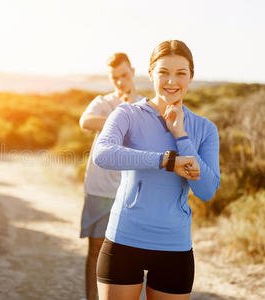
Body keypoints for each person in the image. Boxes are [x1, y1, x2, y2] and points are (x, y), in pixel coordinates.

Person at [92, 40, 221, 300]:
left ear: (191, 77)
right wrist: (165, 160)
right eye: (163, 72)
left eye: (180, 73)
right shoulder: (127, 114)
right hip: (124, 240)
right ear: (151, 74)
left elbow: (207, 190)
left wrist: (181, 134)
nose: (171, 81)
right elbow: (102, 154)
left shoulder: (205, 129)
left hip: (174, 246)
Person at [79, 52, 143, 300]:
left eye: (124, 75)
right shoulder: (103, 102)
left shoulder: (145, 105)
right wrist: (119, 118)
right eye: (114, 77)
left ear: (133, 72)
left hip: (130, 190)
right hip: (99, 188)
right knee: (95, 249)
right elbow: (85, 121)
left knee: (129, 253)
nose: (120, 81)